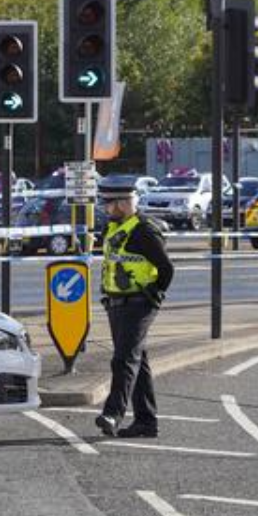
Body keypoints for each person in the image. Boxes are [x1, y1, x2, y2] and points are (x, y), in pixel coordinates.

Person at [94, 181, 174, 439]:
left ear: (122, 203)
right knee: (138, 362)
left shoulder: (143, 231)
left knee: (123, 359)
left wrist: (154, 295)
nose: (105, 208)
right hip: (116, 303)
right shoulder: (114, 227)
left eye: (109, 203)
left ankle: (112, 414)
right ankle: (146, 422)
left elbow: (166, 268)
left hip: (139, 303)